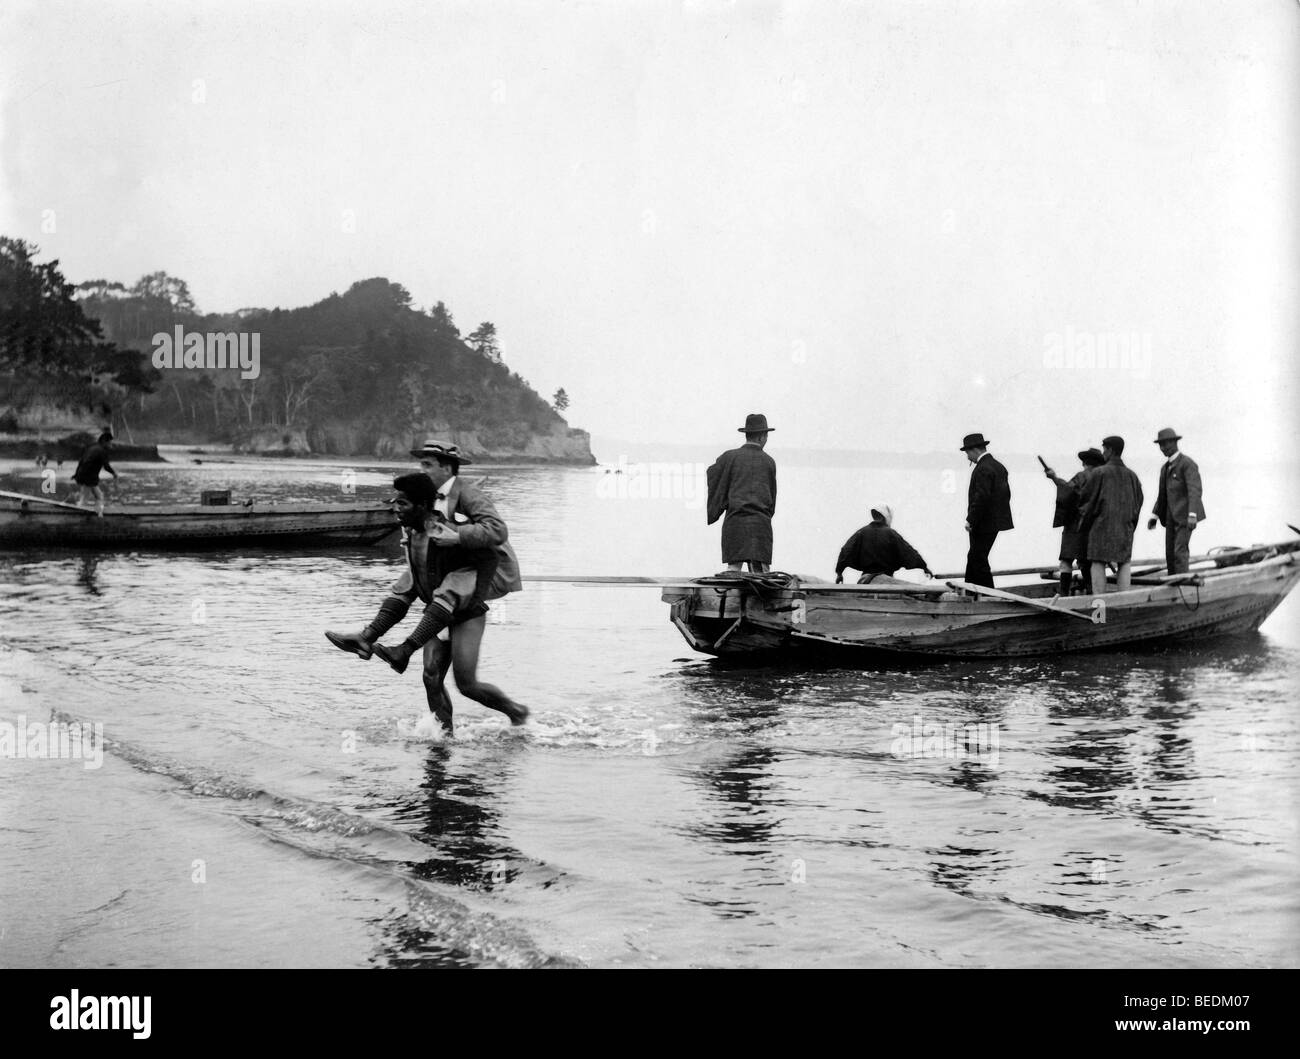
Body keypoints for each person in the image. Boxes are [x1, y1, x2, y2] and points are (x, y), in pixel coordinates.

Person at [325, 458, 528, 732]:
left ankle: (516, 712)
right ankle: (443, 740)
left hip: (465, 612)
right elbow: (405, 592)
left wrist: (405, 648)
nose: (395, 508)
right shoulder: (412, 534)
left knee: (466, 685)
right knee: (431, 676)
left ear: (422, 507)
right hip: (438, 611)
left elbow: (490, 553)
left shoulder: (446, 533)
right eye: (395, 502)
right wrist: (369, 635)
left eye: (403, 504)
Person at [706, 413, 777, 573]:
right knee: (762, 577)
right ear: (762, 437)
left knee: (733, 572)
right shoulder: (769, 462)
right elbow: (772, 498)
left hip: (735, 523)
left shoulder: (729, 457)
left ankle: (730, 599)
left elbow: (712, 473)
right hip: (760, 526)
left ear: (747, 434)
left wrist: (721, 500)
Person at [1077, 435, 1144, 594]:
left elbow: (1086, 501)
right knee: (1124, 563)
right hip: (1125, 529)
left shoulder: (1099, 473)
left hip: (1100, 528)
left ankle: (1099, 608)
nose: (1103, 452)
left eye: (1104, 449)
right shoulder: (1133, 476)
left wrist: (1084, 526)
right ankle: (1123, 604)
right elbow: (1138, 504)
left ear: (1110, 450)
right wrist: (1130, 526)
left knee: (1098, 563)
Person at [1041, 447, 1105, 596]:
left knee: (1066, 561)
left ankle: (1064, 594)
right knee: (1087, 562)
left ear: (1085, 462)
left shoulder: (1082, 476)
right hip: (1093, 526)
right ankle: (1091, 592)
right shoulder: (1102, 478)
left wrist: (1054, 478)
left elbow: (1068, 491)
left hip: (1074, 526)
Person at [1146, 427, 1205, 575]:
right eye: (1160, 445)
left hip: (1185, 516)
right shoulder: (1164, 468)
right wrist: (1155, 515)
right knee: (1170, 553)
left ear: (1175, 443)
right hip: (1170, 517)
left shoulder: (1187, 464)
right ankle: (1173, 585)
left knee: (1180, 551)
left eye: (1165, 444)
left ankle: (1183, 586)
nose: (1163, 448)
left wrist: (1192, 514)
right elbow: (1162, 495)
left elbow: (1194, 490)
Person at [960, 432, 1012, 588]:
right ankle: (970, 590)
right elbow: (1006, 495)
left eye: (967, 453)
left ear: (975, 450)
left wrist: (971, 519)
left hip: (983, 522)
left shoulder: (983, 468)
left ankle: (987, 593)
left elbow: (981, 498)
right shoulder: (998, 466)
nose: (967, 457)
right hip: (995, 521)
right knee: (975, 556)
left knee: (978, 557)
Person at [835, 504, 933, 584]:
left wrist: (839, 572)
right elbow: (909, 553)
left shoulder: (861, 533)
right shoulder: (891, 534)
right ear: (886, 517)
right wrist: (924, 567)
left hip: (865, 581)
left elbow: (846, 551)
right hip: (887, 581)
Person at [72, 430, 119, 516]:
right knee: (85, 499)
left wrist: (76, 474)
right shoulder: (102, 451)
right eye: (110, 443)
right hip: (88, 477)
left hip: (83, 475)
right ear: (105, 442)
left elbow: (81, 461)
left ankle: (98, 514)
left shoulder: (92, 448)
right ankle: (78, 516)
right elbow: (106, 466)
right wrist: (114, 473)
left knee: (99, 496)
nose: (111, 445)